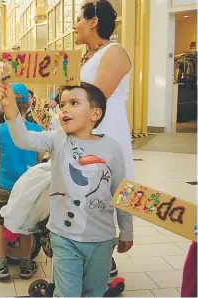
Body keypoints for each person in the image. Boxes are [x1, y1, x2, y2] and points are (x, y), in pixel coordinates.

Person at [0, 82, 134, 297]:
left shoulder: (112, 148)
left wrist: (127, 230)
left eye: (74, 103)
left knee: (94, 291)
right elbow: (24, 139)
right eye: (62, 104)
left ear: (95, 113)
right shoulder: (57, 140)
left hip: (102, 238)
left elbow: (120, 191)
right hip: (64, 236)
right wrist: (11, 109)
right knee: (66, 293)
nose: (64, 109)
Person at [74, 0, 134, 275]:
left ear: (93, 22)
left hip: (106, 130)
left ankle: (105, 259)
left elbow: (96, 99)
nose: (74, 25)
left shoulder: (115, 51)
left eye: (78, 19)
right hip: (87, 130)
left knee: (106, 190)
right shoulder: (87, 55)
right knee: (85, 193)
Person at [0, 84, 44, 281]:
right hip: (28, 188)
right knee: (26, 225)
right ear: (29, 104)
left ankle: (0, 264)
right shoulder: (36, 129)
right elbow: (40, 159)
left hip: (6, 186)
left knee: (0, 223)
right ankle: (25, 264)